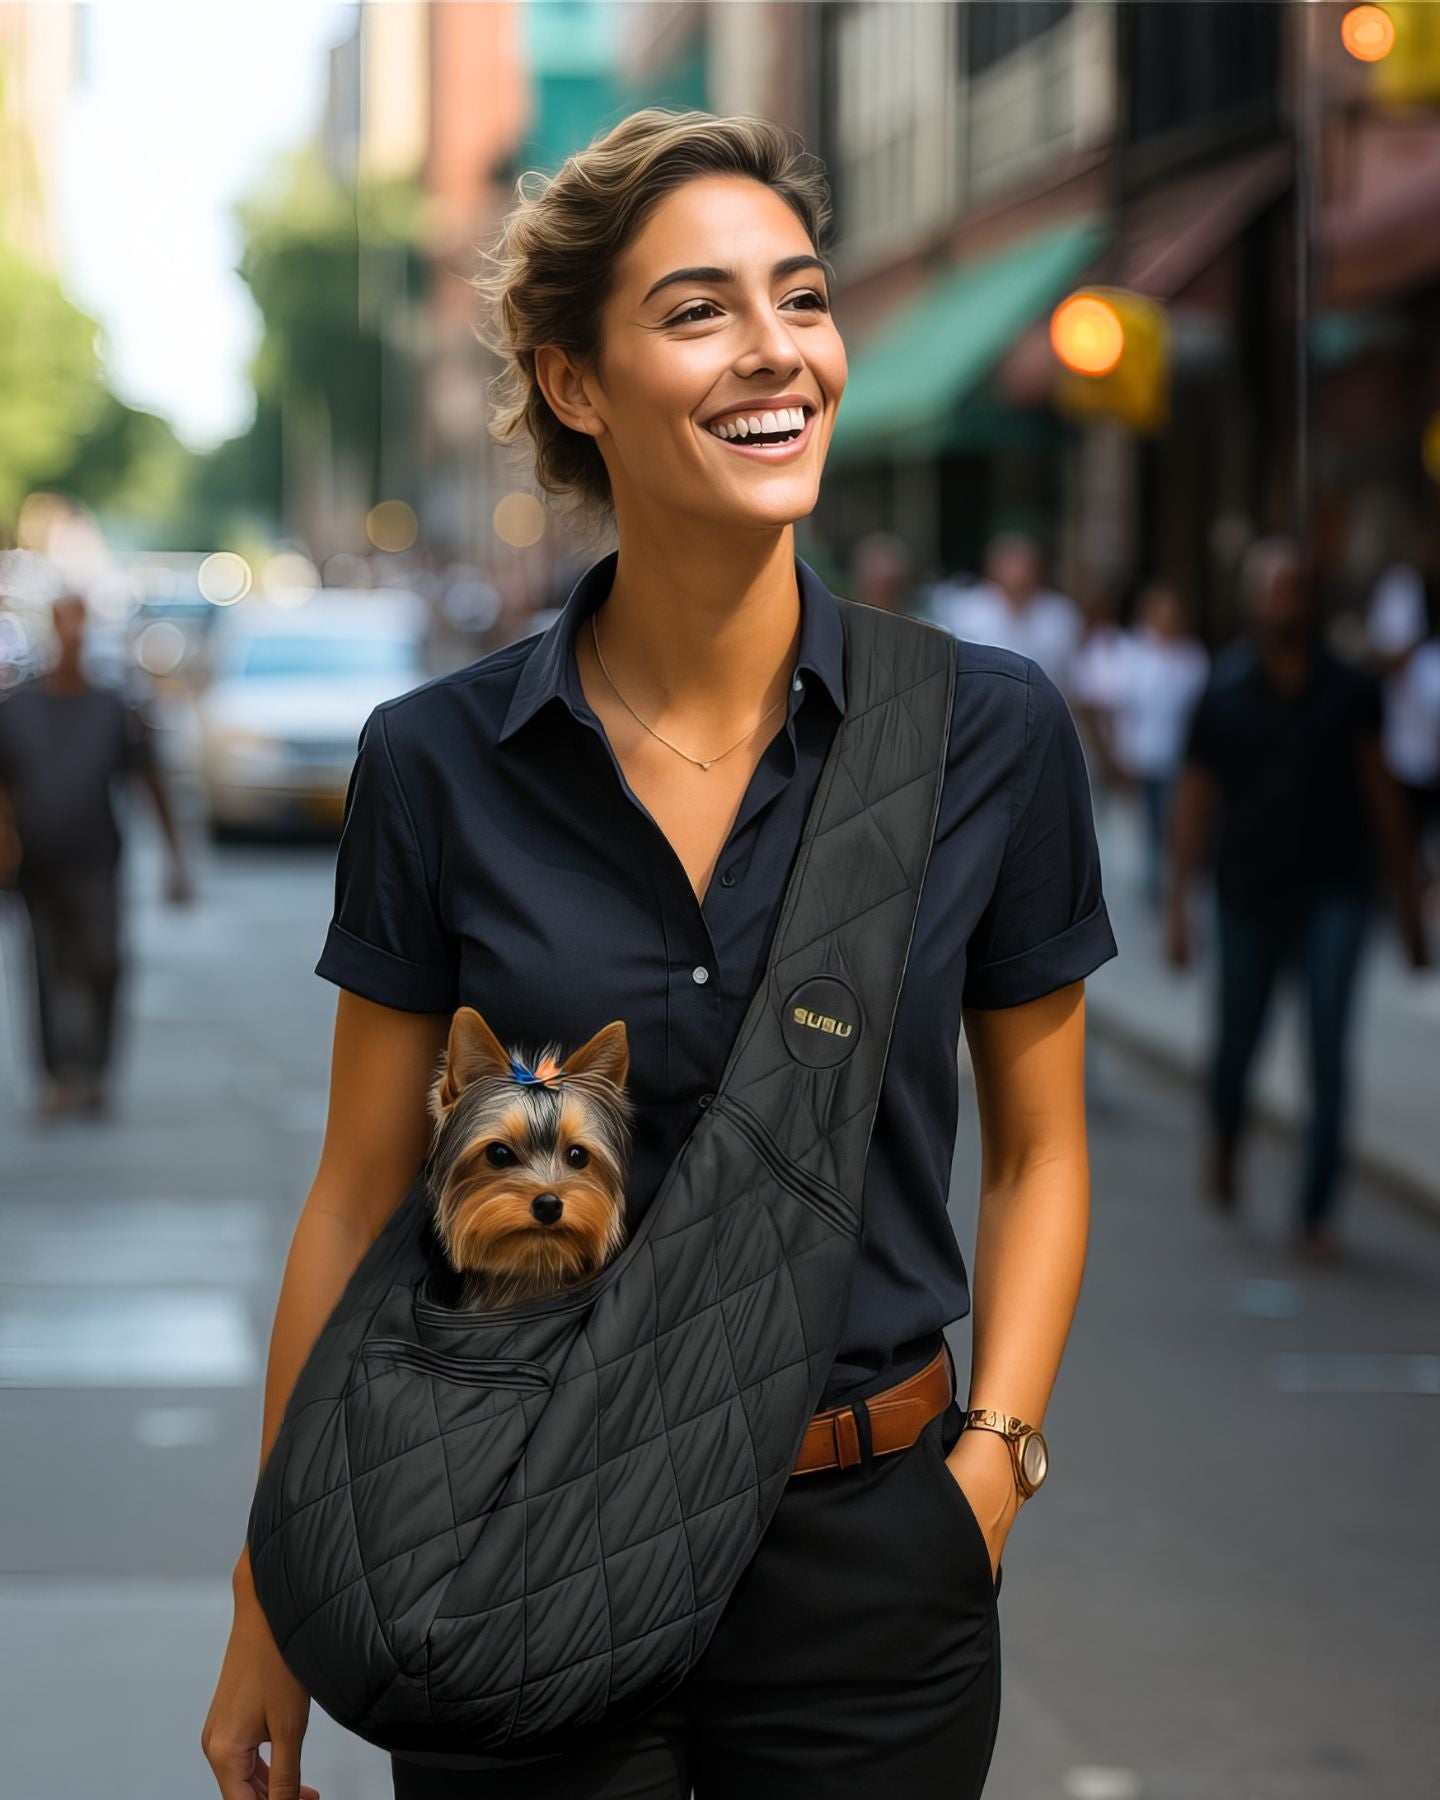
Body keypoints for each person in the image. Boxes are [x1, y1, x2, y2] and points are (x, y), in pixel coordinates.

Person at [203, 109, 1118, 1800]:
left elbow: (1045, 1151)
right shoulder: (439, 762)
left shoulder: (984, 735)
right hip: (507, 1519)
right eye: (699, 311)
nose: (777, 349)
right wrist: (278, 1583)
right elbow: (352, 1199)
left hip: (872, 1571)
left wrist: (988, 1471)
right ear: (575, 383)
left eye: (803, 296)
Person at [1165, 538, 1428, 1263]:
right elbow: (1193, 804)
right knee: (1236, 1045)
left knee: (1328, 1051)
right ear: (1253, 599)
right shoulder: (1222, 692)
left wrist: (1408, 908)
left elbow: (1385, 801)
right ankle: (1225, 1134)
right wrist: (1178, 907)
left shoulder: (1351, 691)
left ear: (1315, 600)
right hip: (1246, 894)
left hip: (1335, 895)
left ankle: (1316, 1213)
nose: (1286, 603)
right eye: (1273, 589)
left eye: (1298, 589)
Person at [0, 590, 193, 1120]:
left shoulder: (114, 707)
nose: (71, 635)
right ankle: (57, 1076)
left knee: (104, 962)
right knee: (44, 967)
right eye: (62, 624)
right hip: (36, 866)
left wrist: (177, 861)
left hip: (96, 861)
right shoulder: (18, 709)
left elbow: (149, 781)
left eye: (79, 625)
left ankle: (95, 1071)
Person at [1099, 583, 1210, 909]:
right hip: (1137, 756)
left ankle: (1171, 881)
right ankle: (1148, 886)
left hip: (1176, 758)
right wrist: (1114, 755)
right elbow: (1112, 707)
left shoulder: (1192, 658)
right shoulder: (1130, 653)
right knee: (1143, 824)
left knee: (1171, 825)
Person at [928, 531, 1084, 690]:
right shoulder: (964, 610)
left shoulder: (1061, 613)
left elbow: (1072, 676)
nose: (1018, 573)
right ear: (991, 567)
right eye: (1010, 563)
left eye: (1025, 564)